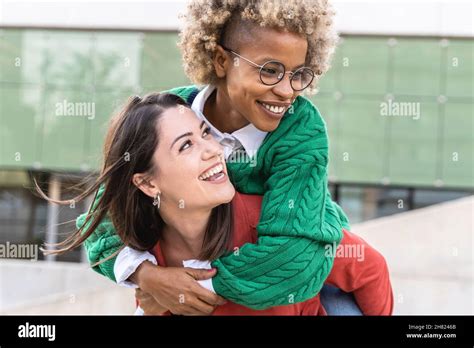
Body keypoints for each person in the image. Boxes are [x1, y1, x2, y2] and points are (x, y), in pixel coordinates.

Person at [69, 0, 390, 314]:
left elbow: (298, 256)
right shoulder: (174, 116)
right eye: (270, 71)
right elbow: (105, 220)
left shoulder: (300, 127)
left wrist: (195, 287)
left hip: (309, 254)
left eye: (299, 74)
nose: (287, 91)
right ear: (221, 61)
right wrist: (149, 277)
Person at [40, 92, 393, 315]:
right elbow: (101, 223)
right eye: (186, 146)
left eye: (205, 133)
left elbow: (371, 268)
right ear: (148, 183)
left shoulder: (269, 224)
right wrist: (146, 277)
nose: (212, 149)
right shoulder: (148, 255)